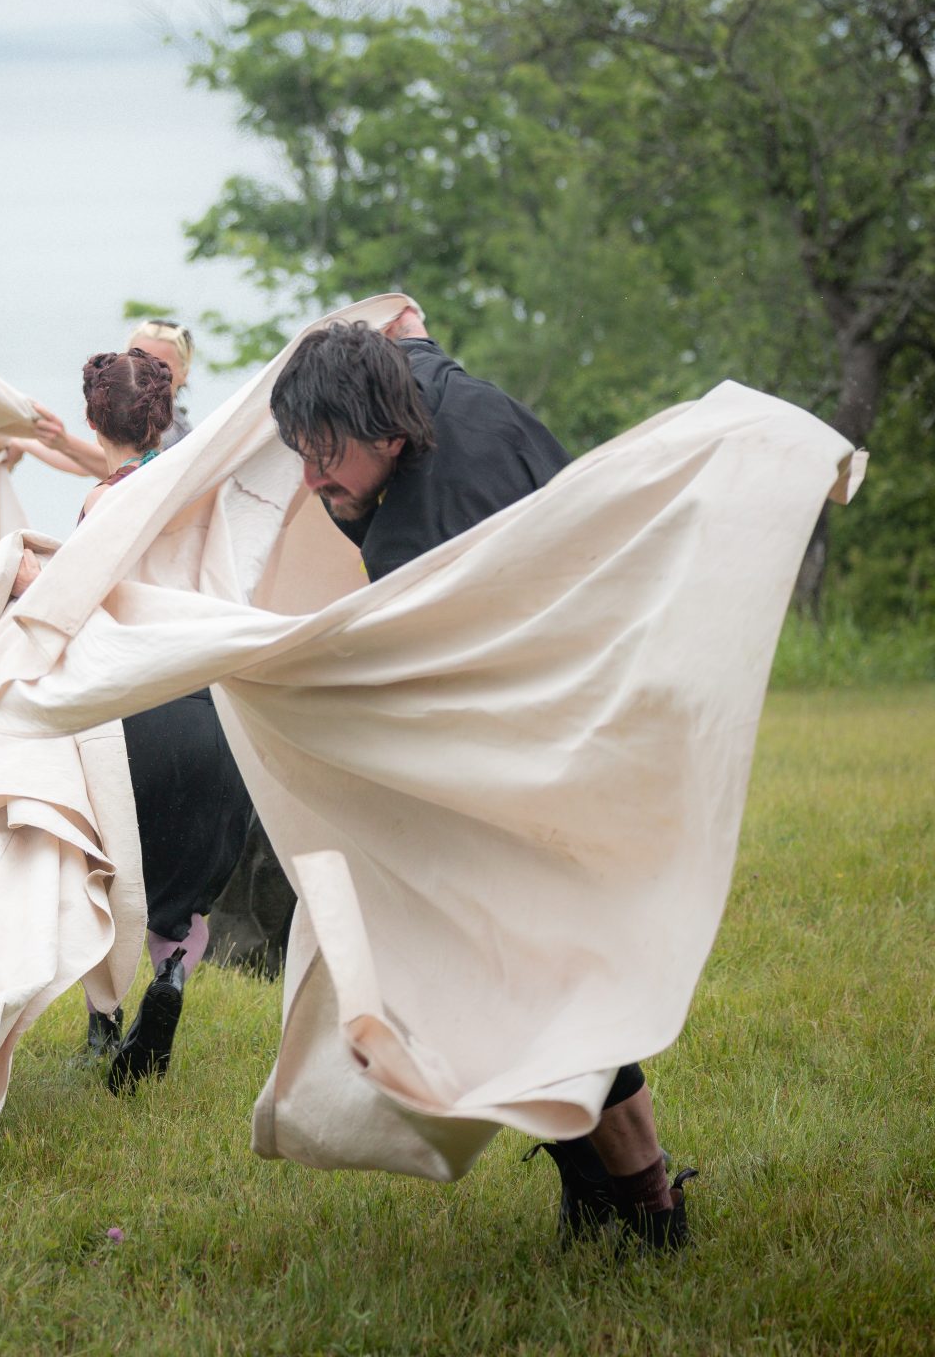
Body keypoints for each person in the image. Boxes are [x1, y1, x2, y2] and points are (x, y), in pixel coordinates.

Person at [266, 308, 695, 1256]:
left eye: (325, 455)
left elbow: (463, 688)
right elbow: (407, 333)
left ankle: (648, 1207)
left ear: (387, 433)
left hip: (553, 743)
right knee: (531, 978)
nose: (311, 480)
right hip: (562, 711)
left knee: (549, 982)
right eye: (299, 451)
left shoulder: (436, 520)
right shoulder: (427, 386)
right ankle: (607, 1194)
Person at [68, 347, 253, 1092]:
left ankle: (102, 1028)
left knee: (107, 876)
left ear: (93, 417)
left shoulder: (100, 504)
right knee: (180, 901)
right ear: (165, 415)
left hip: (133, 717)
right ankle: (171, 979)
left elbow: (75, 608)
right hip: (212, 716)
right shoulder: (199, 495)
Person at [15, 318, 198, 477]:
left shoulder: (171, 428)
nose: (149, 370)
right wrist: (20, 440)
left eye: (161, 364)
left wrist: (63, 442)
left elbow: (124, 470)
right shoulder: (135, 419)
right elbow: (86, 463)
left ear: (184, 373)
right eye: (139, 358)